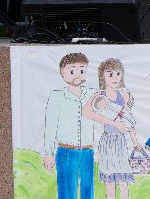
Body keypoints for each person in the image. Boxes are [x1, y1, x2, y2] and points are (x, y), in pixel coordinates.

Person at [43, 53, 128, 199]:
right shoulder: (57, 96)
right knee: (67, 190)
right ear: (62, 72)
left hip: (87, 151)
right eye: (72, 71)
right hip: (66, 150)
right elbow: (50, 126)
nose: (78, 75)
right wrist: (48, 153)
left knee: (87, 190)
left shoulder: (93, 93)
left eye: (82, 71)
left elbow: (108, 105)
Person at [83, 58, 140, 199]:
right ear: (102, 76)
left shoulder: (124, 94)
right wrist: (113, 123)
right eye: (110, 74)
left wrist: (135, 142)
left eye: (118, 74)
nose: (115, 78)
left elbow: (129, 119)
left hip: (121, 140)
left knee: (123, 178)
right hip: (107, 140)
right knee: (109, 179)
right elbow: (86, 112)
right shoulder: (99, 95)